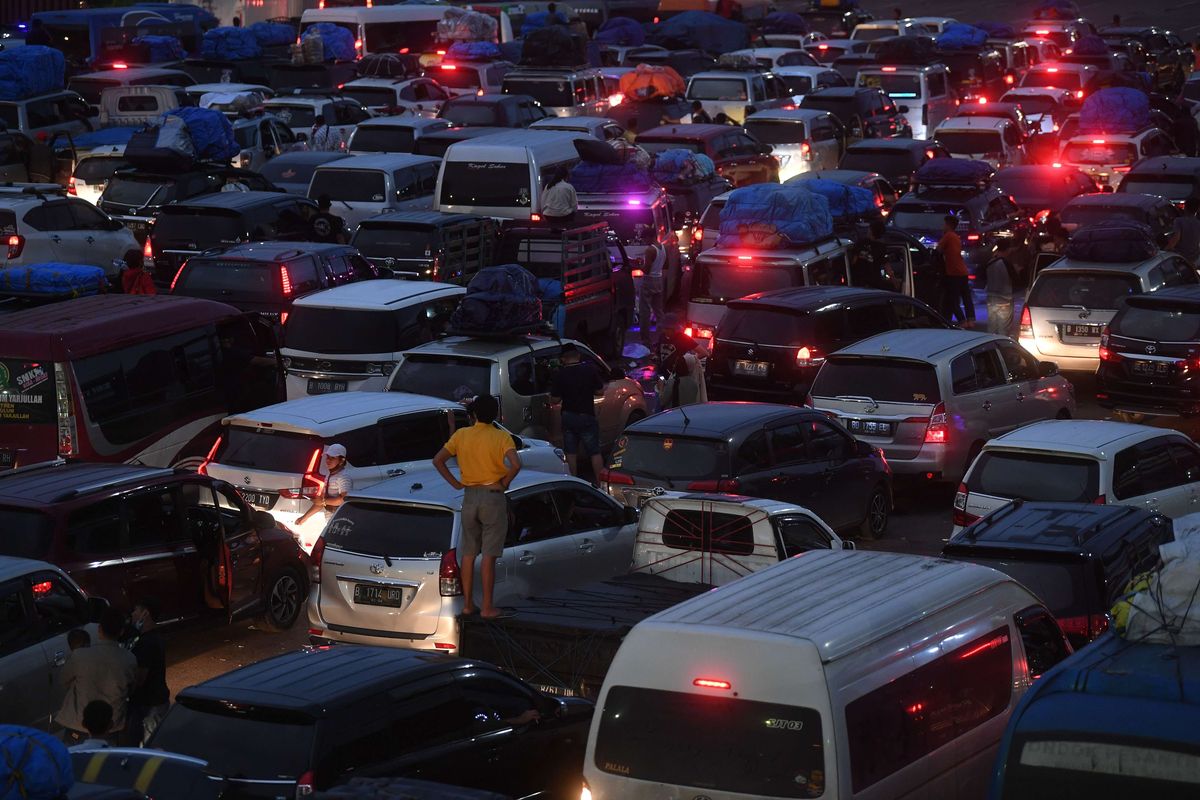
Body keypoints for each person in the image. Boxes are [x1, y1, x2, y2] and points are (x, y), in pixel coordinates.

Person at [432, 395, 521, 620]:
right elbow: (516, 464)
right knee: (489, 556)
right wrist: (505, 482)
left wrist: (455, 483)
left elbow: (438, 460)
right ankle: (488, 607)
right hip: (493, 496)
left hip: (469, 497)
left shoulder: (462, 435)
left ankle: (468, 605)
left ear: (473, 415)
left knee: (469, 554)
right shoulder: (501, 436)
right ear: (496, 414)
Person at [55, 608, 136, 745]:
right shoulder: (129, 659)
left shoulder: (80, 656)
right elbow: (132, 689)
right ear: (121, 632)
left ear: (99, 629)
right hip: (111, 728)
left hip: (78, 726)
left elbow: (63, 681)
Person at [549, 344, 606, 481]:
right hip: (587, 415)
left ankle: (574, 483)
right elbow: (600, 391)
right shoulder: (589, 370)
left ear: (563, 359)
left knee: (570, 452)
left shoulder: (560, 374)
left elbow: (555, 400)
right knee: (594, 452)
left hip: (569, 417)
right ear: (578, 356)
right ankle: (602, 484)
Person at [125, 598, 169, 746]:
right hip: (153, 702)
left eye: (135, 610)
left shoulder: (147, 642)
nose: (132, 614)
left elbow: (140, 678)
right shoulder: (152, 638)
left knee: (149, 749)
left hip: (150, 705)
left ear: (145, 614)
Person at [658, 314, 708, 408]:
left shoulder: (683, 338)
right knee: (660, 406)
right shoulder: (662, 337)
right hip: (663, 378)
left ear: (673, 328)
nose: (664, 331)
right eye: (663, 328)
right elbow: (659, 359)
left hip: (676, 381)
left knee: (672, 406)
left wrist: (691, 360)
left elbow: (704, 353)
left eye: (667, 328)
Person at [296, 444, 351, 525]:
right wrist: (304, 517)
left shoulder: (344, 477)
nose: (328, 460)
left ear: (341, 461)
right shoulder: (329, 475)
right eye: (328, 457)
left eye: (333, 458)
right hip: (330, 517)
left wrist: (323, 502)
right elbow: (320, 502)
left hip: (340, 518)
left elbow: (344, 499)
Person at [937, 215, 975, 328]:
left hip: (953, 272)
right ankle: (971, 319)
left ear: (948, 225)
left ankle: (962, 320)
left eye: (944, 224)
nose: (942, 226)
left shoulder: (948, 236)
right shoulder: (956, 237)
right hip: (962, 271)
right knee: (966, 296)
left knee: (953, 299)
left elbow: (938, 250)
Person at [637, 228, 667, 345]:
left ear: (649, 237)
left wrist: (638, 264)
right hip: (659, 280)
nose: (644, 241)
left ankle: (645, 339)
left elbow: (646, 270)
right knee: (659, 312)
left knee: (645, 311)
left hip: (649, 282)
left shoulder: (650, 250)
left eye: (644, 238)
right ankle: (662, 337)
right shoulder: (662, 248)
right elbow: (665, 264)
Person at [985, 239, 1017, 335]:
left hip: (991, 298)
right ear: (1007, 249)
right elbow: (1016, 279)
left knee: (991, 327)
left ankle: (990, 347)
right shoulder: (1006, 263)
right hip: (1004, 299)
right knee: (1003, 329)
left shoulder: (990, 262)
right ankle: (1001, 348)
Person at [1169, 197, 1200, 267]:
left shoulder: (1179, 221)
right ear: (1197, 209)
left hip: (1182, 258)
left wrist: (1166, 249)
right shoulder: (1198, 223)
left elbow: (1176, 238)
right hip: (1195, 257)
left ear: (1185, 207)